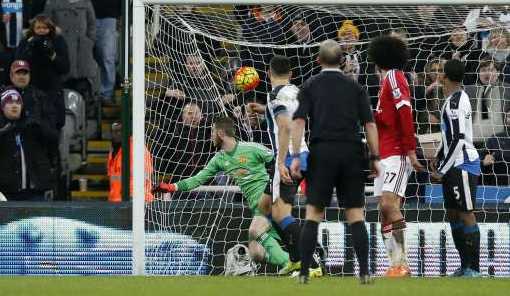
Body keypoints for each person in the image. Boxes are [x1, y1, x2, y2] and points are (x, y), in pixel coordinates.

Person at [152, 116, 298, 274]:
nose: (210, 135)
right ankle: (299, 260)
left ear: (220, 133)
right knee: (256, 252)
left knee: (255, 230)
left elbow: (277, 161)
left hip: (269, 198)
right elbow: (197, 180)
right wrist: (171, 187)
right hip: (256, 206)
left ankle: (297, 265)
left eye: (212, 131)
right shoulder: (219, 159)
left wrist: (274, 185)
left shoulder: (251, 148)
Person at [290, 39, 380, 284]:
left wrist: (296, 156)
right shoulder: (355, 88)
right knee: (355, 214)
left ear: (318, 60)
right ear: (342, 61)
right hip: (351, 152)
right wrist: (374, 157)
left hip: (322, 152)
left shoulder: (309, 86)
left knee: (313, 214)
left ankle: (305, 273)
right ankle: (364, 272)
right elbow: (370, 124)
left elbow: (298, 122)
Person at [245, 55, 323, 277]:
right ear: (290, 74)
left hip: (288, 158)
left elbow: (285, 126)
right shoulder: (296, 91)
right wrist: (263, 110)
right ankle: (295, 259)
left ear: (268, 74)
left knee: (280, 214)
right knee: (265, 207)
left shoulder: (274, 95)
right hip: (303, 155)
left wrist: (280, 164)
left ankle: (310, 263)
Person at [368, 36, 424, 277]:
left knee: (390, 204)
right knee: (382, 209)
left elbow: (406, 113)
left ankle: (403, 263)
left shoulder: (394, 76)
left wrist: (410, 150)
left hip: (398, 154)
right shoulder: (385, 82)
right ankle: (394, 265)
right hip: (384, 155)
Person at [429, 59, 482, 278]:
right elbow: (450, 136)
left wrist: (442, 169)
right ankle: (464, 265)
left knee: (466, 213)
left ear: (443, 76)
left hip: (463, 164)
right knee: (452, 214)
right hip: (452, 162)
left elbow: (459, 139)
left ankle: (474, 269)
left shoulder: (456, 102)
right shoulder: (453, 98)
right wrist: (439, 154)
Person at [65, 0, 127, 106]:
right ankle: (88, 94)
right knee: (82, 57)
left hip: (108, 17)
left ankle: (106, 94)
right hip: (81, 17)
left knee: (108, 56)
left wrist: (122, 13)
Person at [0, 88, 59, 201]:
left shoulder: (32, 123)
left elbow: (54, 138)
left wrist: (40, 126)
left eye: (18, 103)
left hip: (34, 190)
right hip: (5, 190)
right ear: (3, 106)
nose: (15, 106)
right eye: (10, 102)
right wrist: (4, 131)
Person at [43, 0, 97, 99]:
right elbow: (47, 23)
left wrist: (89, 41)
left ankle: (82, 110)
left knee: (81, 84)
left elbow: (92, 22)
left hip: (81, 48)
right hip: (61, 46)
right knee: (61, 84)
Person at [16, 15, 69, 128]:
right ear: (33, 29)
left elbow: (65, 68)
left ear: (50, 28)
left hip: (53, 91)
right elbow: (18, 66)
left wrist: (52, 55)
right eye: (38, 28)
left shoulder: (58, 41)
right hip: (32, 90)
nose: (41, 30)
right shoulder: (26, 42)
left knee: (54, 126)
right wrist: (29, 49)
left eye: (45, 28)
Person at [464, 58, 510, 147]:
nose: (487, 73)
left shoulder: (507, 89)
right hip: (472, 142)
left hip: (500, 143)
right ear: (478, 72)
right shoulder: (468, 90)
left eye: (491, 70)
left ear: (499, 72)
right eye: (483, 70)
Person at [106, 122, 154, 202]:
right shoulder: (113, 152)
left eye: (120, 130)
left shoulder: (137, 148)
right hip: (117, 200)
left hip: (135, 200)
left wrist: (132, 197)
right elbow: (112, 176)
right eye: (114, 131)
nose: (117, 133)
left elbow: (146, 174)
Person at [6, 60, 56, 129]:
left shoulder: (41, 97)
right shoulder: (3, 98)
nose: (22, 77)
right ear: (11, 77)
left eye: (25, 73)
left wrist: (37, 123)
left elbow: (51, 125)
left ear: (29, 76)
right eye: (18, 73)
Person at [479, 109, 510, 186]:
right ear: (505, 119)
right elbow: (478, 160)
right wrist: (483, 162)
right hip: (498, 189)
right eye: (509, 116)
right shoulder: (495, 139)